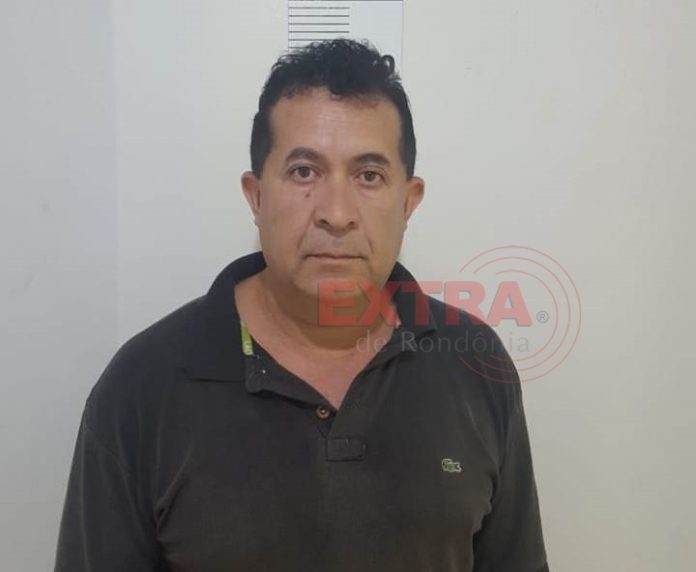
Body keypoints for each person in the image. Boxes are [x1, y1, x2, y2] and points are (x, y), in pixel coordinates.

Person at [54, 39, 550, 571]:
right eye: (304, 172)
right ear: (256, 196)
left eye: (369, 175)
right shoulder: (142, 387)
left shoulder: (475, 365)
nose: (336, 213)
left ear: (408, 202)